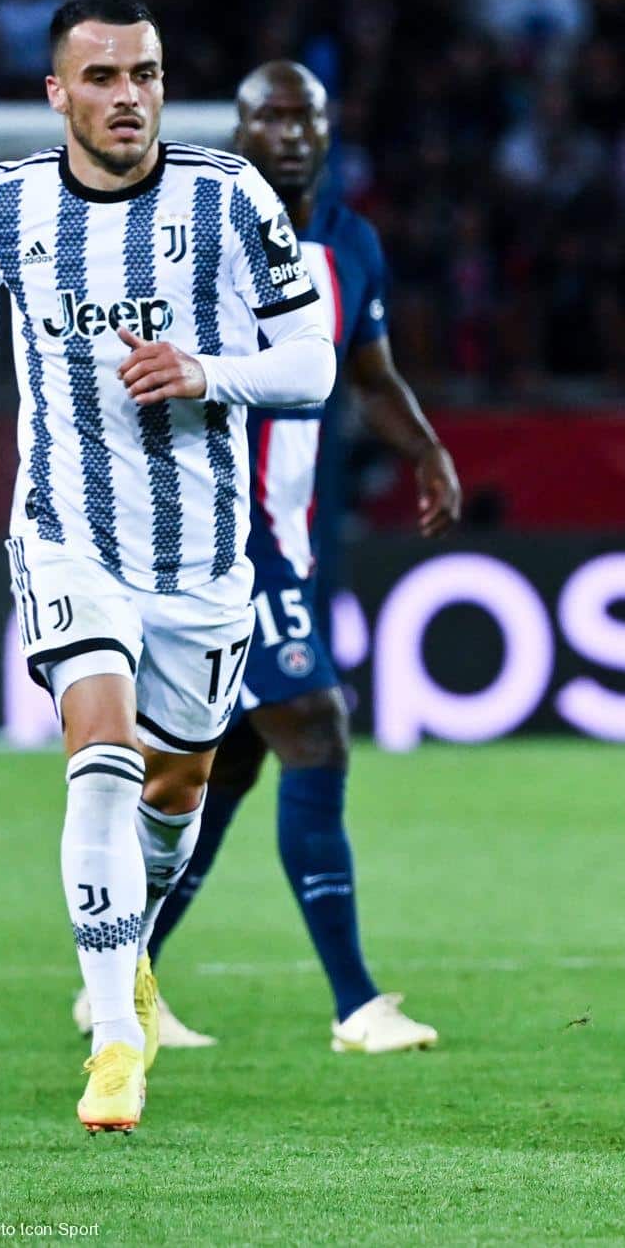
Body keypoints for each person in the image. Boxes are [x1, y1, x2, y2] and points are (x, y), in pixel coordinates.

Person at [0, 0, 334, 1131]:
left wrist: (210, 371)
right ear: (57, 92)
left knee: (178, 788)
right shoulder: (1, 205)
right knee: (101, 750)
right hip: (65, 527)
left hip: (204, 555)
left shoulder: (228, 198)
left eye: (146, 75)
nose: (128, 97)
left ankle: (133, 963)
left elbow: (310, 363)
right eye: (103, 78)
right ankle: (114, 1035)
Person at [102, 60, 459, 1054]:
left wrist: (425, 447)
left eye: (309, 120)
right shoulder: (199, 231)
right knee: (316, 727)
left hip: (289, 535)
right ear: (242, 130)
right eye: (272, 119)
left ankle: (117, 978)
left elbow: (369, 374)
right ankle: (356, 1004)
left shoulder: (352, 244)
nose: (293, 136)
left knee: (225, 771)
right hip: (217, 532)